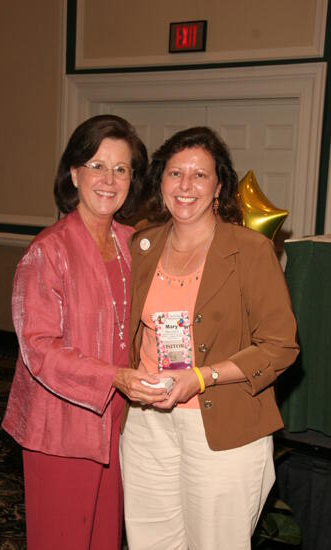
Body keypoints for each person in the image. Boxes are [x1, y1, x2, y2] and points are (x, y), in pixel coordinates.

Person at [120, 126, 300, 550]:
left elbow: (280, 346)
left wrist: (202, 378)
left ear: (219, 185)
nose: (185, 186)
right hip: (147, 422)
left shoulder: (250, 250)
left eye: (199, 175)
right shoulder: (142, 245)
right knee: (151, 541)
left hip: (221, 425)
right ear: (160, 181)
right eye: (175, 173)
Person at [2, 114, 166, 549]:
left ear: (133, 178)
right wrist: (113, 376)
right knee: (64, 539)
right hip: (61, 429)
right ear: (73, 173)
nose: (108, 179)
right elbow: (39, 349)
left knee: (104, 539)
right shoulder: (48, 252)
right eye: (96, 165)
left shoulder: (135, 244)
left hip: (118, 423)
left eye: (121, 168)